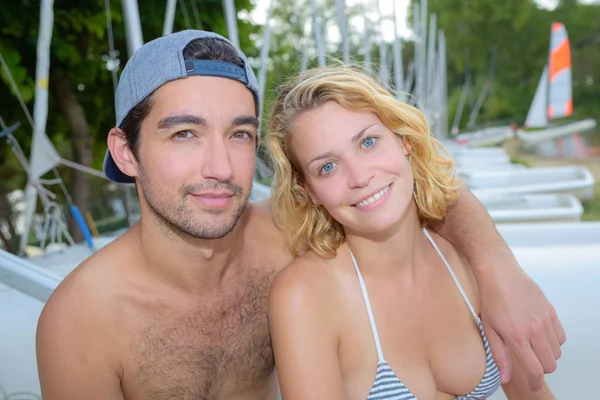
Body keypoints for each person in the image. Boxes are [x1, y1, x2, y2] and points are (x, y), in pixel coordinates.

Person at [35, 30, 563, 400]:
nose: (220, 166)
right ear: (126, 152)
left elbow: (419, 195)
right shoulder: (82, 322)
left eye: (239, 133)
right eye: (185, 133)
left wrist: (498, 270)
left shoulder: (287, 231)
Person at [266, 65, 557, 399]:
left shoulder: (467, 258)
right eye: (327, 167)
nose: (359, 176)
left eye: (368, 142)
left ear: (404, 139)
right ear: (311, 191)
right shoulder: (306, 296)